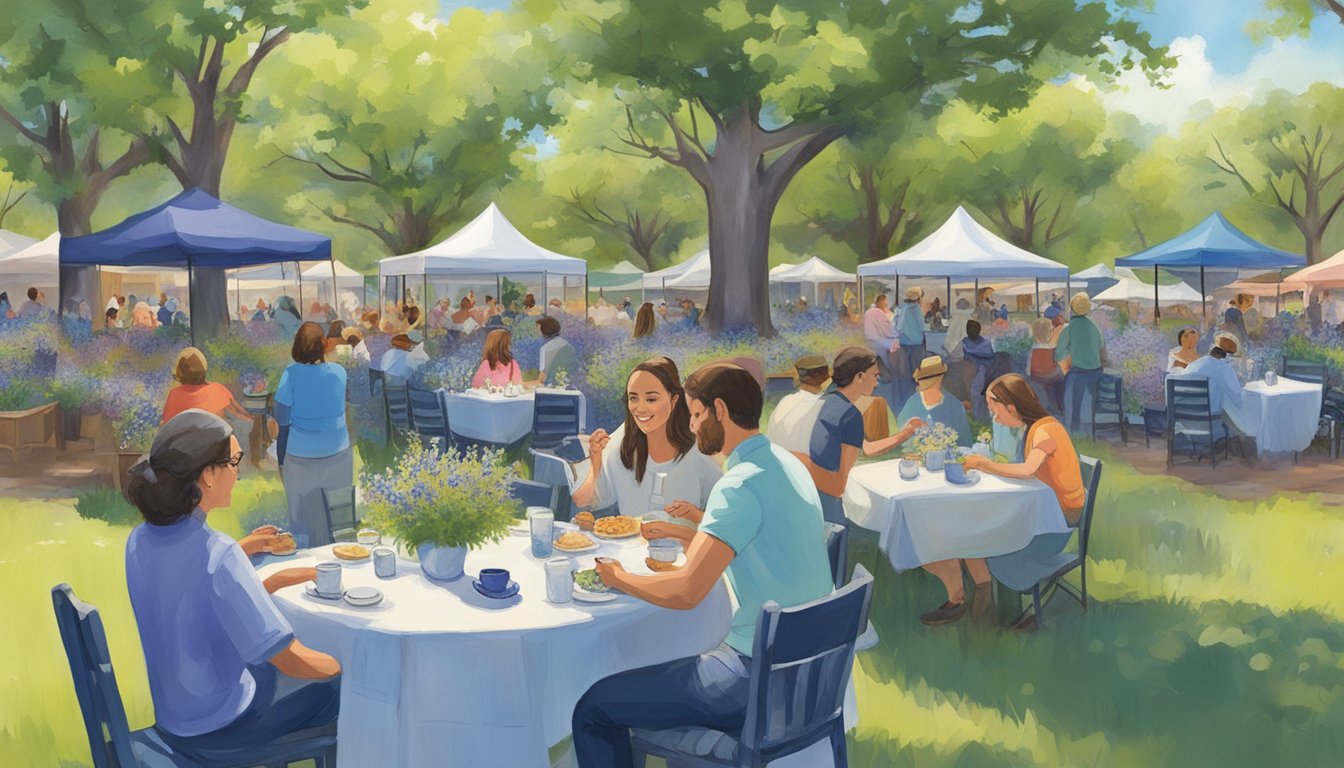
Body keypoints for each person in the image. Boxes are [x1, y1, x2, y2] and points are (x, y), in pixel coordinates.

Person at [573, 363, 833, 768]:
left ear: (720, 411)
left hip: (750, 678)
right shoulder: (785, 463)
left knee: (593, 708)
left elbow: (686, 592)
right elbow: (755, 547)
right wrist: (685, 534)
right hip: (806, 673)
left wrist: (617, 577)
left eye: (696, 415)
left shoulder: (738, 483)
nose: (692, 428)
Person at [123, 410, 340, 761]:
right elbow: (288, 659)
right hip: (221, 729)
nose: (238, 472)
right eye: (234, 461)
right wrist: (344, 665)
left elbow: (191, 586)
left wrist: (244, 550)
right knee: (332, 687)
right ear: (208, 475)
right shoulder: (219, 555)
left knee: (266, 672)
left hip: (175, 718)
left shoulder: (140, 540)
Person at [959, 374, 1086, 630]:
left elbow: (1028, 470)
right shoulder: (1034, 429)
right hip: (1047, 514)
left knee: (991, 540)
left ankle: (1005, 613)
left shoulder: (1045, 431)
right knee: (985, 532)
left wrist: (984, 464)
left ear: (1012, 408)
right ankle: (997, 607)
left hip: (1058, 524)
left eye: (996, 412)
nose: (995, 418)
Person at [571, 357, 721, 524]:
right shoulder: (623, 448)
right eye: (633, 398)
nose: (640, 408)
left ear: (674, 400)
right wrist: (595, 460)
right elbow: (584, 501)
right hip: (630, 548)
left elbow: (726, 523)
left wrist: (695, 515)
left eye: (651, 399)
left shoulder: (698, 456)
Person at [800, 347, 923, 525]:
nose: (877, 383)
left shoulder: (826, 402)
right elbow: (838, 485)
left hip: (811, 498)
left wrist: (907, 432)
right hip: (830, 510)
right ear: (859, 377)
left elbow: (866, 448)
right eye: (874, 376)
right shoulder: (850, 415)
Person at [274, 323, 353, 548]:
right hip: (338, 452)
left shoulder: (290, 374)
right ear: (325, 345)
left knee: (301, 522)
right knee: (339, 520)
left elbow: (282, 418)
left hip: (300, 457)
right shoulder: (339, 373)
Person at [1055, 292, 1106, 434]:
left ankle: (1073, 426)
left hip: (1080, 372)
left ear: (1071, 309)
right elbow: (1101, 346)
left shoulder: (1070, 327)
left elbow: (1059, 353)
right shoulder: (1093, 326)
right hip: (1096, 371)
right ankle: (1084, 427)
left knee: (1070, 389)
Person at [161, 348, 254, 425]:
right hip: (218, 444)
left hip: (187, 446)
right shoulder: (217, 389)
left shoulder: (174, 395)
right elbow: (239, 412)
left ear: (180, 372)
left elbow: (168, 426)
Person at [896, 356, 971, 448]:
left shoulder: (954, 404)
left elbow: (964, 442)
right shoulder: (913, 402)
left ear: (941, 378)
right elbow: (900, 437)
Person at [764, 354, 830, 454]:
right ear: (827, 376)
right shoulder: (825, 405)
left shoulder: (786, 401)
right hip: (805, 463)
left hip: (779, 460)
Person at [1171, 333, 1243, 421]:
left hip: (1184, 420)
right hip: (1210, 423)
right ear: (1229, 355)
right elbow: (1238, 402)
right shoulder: (1225, 368)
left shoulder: (1194, 365)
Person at [892, 286, 927, 405]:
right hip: (916, 345)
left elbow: (896, 325)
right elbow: (923, 327)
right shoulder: (915, 309)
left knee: (905, 373)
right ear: (918, 297)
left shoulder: (901, 308)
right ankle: (916, 400)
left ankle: (905, 400)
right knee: (916, 373)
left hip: (903, 344)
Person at [961, 319, 996, 421]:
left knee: (975, 396)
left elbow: (956, 356)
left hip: (973, 374)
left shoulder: (964, 343)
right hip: (989, 373)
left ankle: (979, 419)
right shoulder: (987, 343)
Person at [1028, 317, 1065, 413]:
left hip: (1037, 377)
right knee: (1061, 377)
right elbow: (1057, 361)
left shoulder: (1032, 349)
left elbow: (1028, 367)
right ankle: (1061, 406)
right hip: (1053, 376)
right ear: (1050, 333)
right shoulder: (1052, 348)